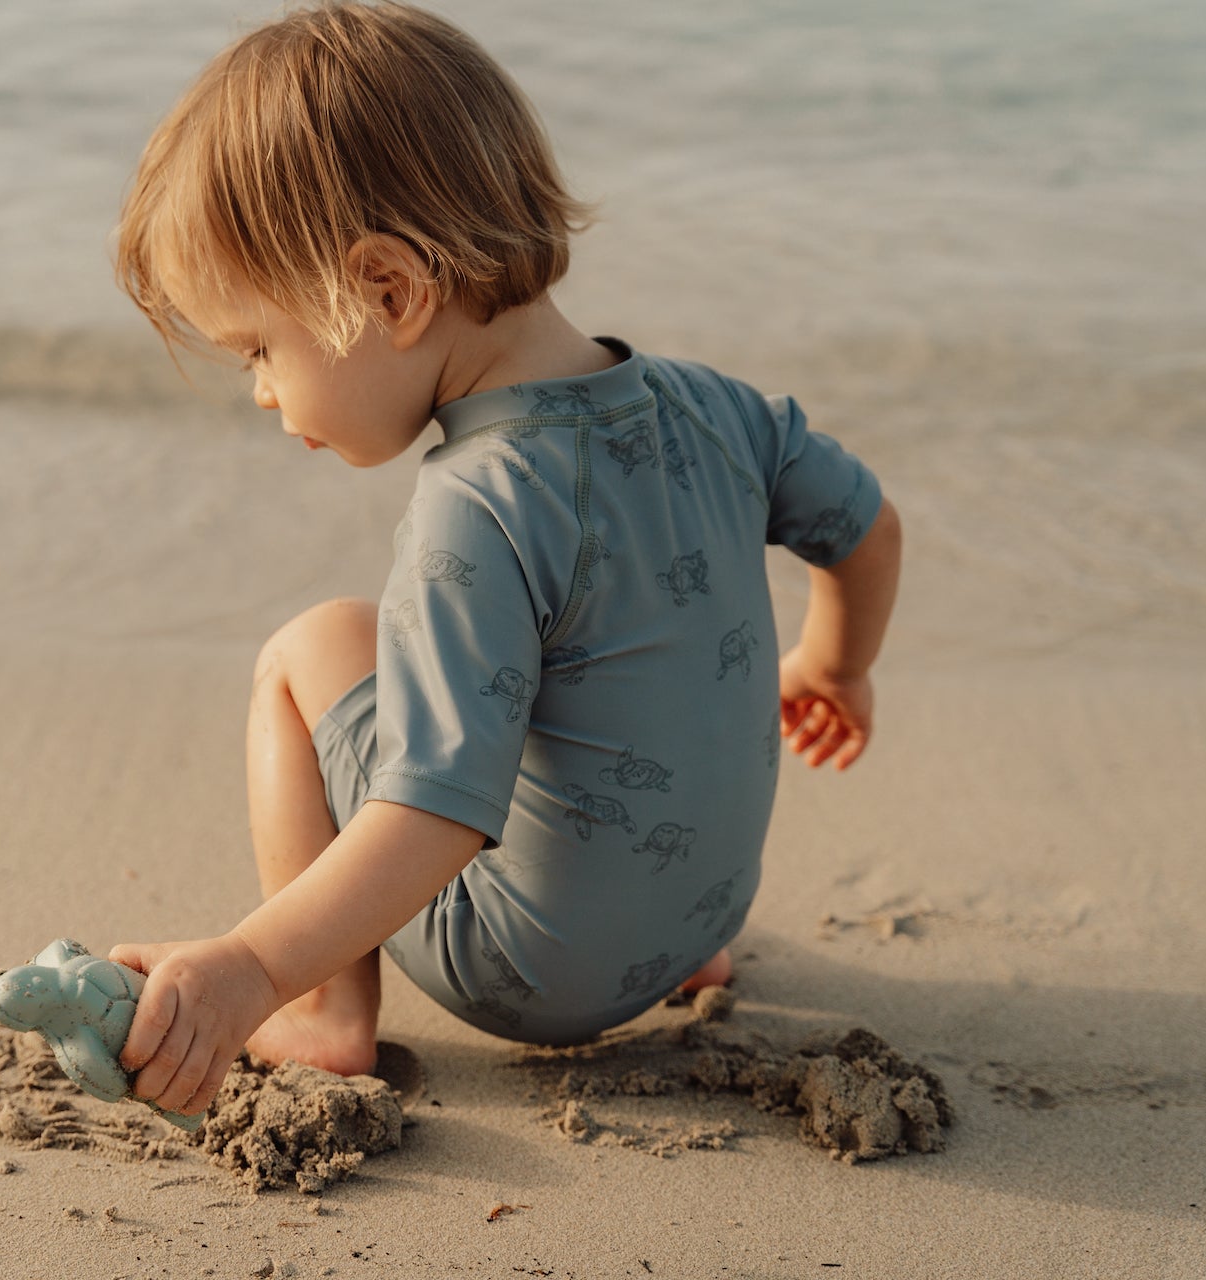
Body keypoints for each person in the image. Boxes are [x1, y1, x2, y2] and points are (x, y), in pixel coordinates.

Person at [102, 1, 902, 1119]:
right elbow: (868, 528)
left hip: (524, 969)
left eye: (259, 350)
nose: (265, 395)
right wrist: (833, 664)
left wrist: (250, 966)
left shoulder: (478, 503)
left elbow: (434, 814)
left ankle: (328, 1009)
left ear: (389, 291)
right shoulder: (717, 408)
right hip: (702, 916)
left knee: (309, 648)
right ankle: (675, 953)